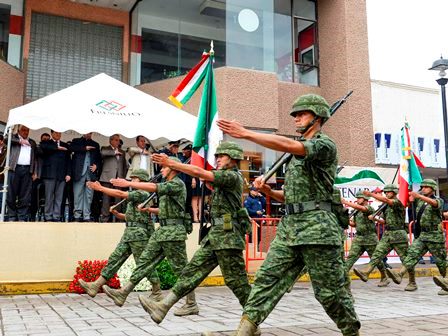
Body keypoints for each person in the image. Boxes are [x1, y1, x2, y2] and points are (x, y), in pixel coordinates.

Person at [216, 94, 360, 336]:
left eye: (302, 114)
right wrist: (268, 191)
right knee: (266, 279)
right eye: (294, 115)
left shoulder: (324, 145)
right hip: (290, 229)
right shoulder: (296, 157)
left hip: (318, 230)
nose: (296, 118)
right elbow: (293, 198)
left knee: (329, 293)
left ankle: (351, 332)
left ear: (317, 117)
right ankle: (244, 331)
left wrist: (247, 134)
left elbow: (293, 146)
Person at [140, 142, 253, 327]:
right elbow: (204, 177)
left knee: (237, 283)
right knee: (191, 272)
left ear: (232, 159)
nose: (216, 159)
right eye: (216, 156)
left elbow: (201, 173)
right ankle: (163, 307)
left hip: (228, 238)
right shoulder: (223, 178)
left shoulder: (232, 177)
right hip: (215, 236)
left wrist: (173, 163)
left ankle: (252, 321)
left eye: (221, 156)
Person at [102, 157, 199, 316]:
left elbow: (154, 187)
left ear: (173, 168)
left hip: (174, 232)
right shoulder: (168, 185)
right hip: (162, 231)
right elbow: (167, 209)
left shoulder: (177, 184)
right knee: (144, 261)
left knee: (181, 270)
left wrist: (129, 184)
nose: (161, 170)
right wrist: (150, 211)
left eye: (164, 167)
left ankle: (191, 303)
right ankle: (123, 293)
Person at [78, 169, 162, 300]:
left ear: (140, 180)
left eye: (134, 179)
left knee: (143, 263)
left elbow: (119, 193)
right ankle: (96, 285)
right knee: (115, 258)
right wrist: (118, 215)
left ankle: (157, 290)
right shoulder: (137, 194)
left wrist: (100, 188)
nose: (132, 181)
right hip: (130, 233)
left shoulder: (143, 193)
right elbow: (132, 217)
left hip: (138, 235)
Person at [383, 179, 447, 295]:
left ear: (432, 189)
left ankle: (446, 282)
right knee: (412, 254)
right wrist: (411, 199)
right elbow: (405, 204)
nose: (423, 189)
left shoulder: (438, 200)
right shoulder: (420, 201)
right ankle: (400, 274)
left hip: (435, 236)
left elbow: (435, 204)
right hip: (422, 235)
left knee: (441, 262)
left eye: (426, 187)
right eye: (422, 187)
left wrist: (418, 196)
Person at [353, 184, 417, 291]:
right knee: (377, 254)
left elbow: (388, 201)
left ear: (394, 192)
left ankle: (412, 282)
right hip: (388, 234)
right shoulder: (386, 206)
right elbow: (385, 221)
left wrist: (371, 194)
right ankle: (366, 272)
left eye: (388, 192)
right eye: (385, 192)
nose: (386, 193)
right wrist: (376, 219)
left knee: (405, 259)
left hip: (398, 235)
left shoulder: (398, 202)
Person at [342, 191, 390, 287]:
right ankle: (342, 278)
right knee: (351, 258)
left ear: (365, 200)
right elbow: (355, 224)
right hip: (359, 238)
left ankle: (384, 277)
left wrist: (346, 202)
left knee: (376, 260)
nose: (357, 200)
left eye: (359, 198)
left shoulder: (369, 208)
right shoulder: (356, 211)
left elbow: (362, 208)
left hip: (370, 238)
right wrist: (346, 221)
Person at [6, 125, 38, 221]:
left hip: (27, 170)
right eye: (23, 130)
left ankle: (22, 217)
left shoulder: (32, 142)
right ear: (19, 131)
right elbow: (5, 139)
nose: (26, 132)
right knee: (11, 194)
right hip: (14, 169)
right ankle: (12, 216)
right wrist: (20, 141)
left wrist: (34, 172)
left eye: (27, 130)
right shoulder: (13, 138)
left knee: (25, 195)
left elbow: (35, 158)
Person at [40, 130, 72, 222]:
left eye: (60, 133)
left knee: (59, 197)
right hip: (49, 174)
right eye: (56, 133)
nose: (58, 134)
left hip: (62, 175)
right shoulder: (47, 143)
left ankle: (56, 216)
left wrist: (68, 173)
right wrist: (57, 147)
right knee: (49, 196)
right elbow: (43, 147)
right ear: (52, 133)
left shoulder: (65, 145)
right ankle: (48, 216)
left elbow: (68, 160)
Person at [70, 133, 101, 222]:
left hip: (90, 173)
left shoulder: (95, 144)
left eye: (90, 133)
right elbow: (71, 148)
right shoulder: (76, 141)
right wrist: (84, 148)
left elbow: (99, 158)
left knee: (89, 195)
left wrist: (97, 166)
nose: (89, 134)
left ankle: (86, 216)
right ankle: (77, 215)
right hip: (79, 172)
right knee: (77, 194)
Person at [99, 134, 127, 222]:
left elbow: (124, 166)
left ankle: (118, 218)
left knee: (118, 199)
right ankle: (105, 218)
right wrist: (114, 152)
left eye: (118, 140)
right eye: (116, 140)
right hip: (107, 177)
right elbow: (103, 154)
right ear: (110, 140)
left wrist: (124, 178)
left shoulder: (122, 151)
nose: (118, 142)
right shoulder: (105, 148)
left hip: (118, 178)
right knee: (106, 199)